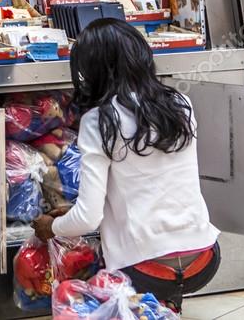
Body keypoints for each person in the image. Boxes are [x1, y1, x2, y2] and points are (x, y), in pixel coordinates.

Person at [32, 20, 220, 314]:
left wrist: (51, 227)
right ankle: (163, 305)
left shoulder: (100, 120)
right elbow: (150, 183)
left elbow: (89, 219)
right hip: (205, 257)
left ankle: (149, 302)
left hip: (145, 267)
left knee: (72, 291)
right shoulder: (180, 103)